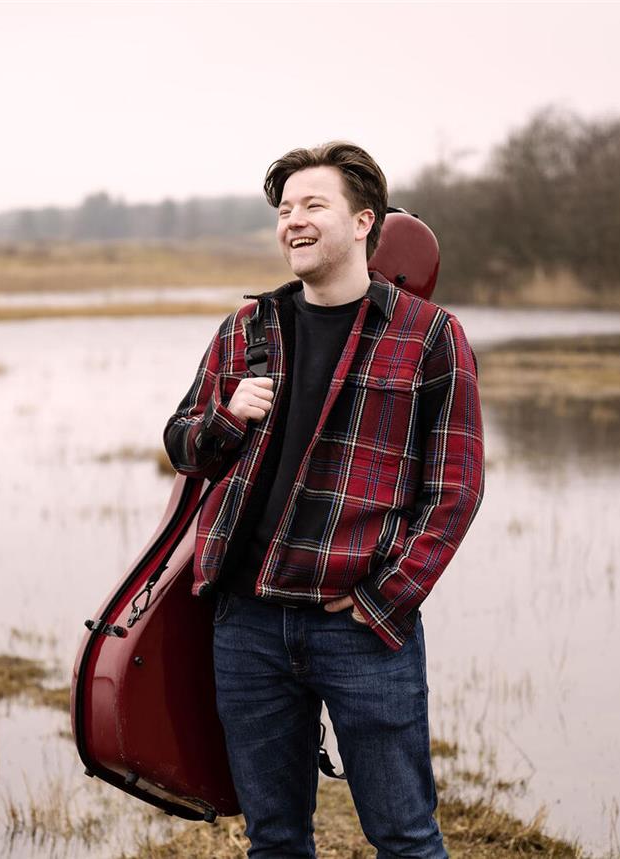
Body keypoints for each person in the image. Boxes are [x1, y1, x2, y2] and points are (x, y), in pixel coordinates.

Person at [163, 141, 484, 858]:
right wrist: (226, 415)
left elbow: (455, 488)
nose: (294, 222)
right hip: (246, 623)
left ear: (364, 220)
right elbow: (183, 446)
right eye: (284, 210)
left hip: (361, 627)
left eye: (313, 205)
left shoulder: (428, 335)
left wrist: (385, 596)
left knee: (404, 836)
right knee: (274, 840)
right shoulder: (245, 329)